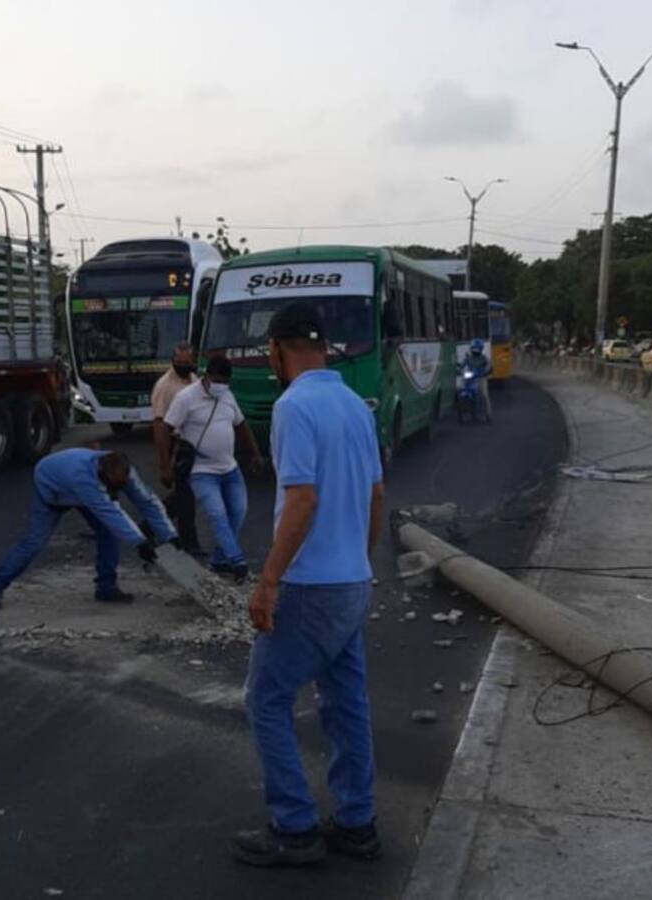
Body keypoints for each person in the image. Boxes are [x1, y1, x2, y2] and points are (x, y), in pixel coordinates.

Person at [232, 302, 384, 868]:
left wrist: (268, 581)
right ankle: (357, 822)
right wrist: (357, 561)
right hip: (351, 581)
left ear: (276, 350)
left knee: (266, 700)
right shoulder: (355, 405)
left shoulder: (293, 406)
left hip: (309, 586)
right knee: (346, 705)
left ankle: (294, 827)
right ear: (322, 348)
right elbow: (376, 496)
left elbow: (301, 500)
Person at [0, 449, 178, 610]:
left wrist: (170, 535)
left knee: (108, 534)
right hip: (51, 490)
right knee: (34, 542)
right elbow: (111, 513)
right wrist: (140, 543)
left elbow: (147, 502)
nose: (117, 490)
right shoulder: (84, 479)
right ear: (102, 474)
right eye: (113, 486)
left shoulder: (125, 473)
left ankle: (106, 588)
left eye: (121, 485)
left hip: (75, 483)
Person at [159, 356, 263, 583]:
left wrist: (255, 453)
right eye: (217, 381)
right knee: (217, 515)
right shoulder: (186, 398)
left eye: (225, 382)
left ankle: (219, 559)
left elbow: (241, 424)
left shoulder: (227, 396)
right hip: (201, 470)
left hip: (230, 468)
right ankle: (238, 563)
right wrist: (165, 466)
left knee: (238, 511)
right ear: (206, 376)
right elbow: (165, 428)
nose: (221, 386)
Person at [150, 343, 200, 554]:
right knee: (186, 496)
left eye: (187, 363)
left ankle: (151, 525)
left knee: (185, 494)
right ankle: (188, 542)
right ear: (172, 361)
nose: (183, 366)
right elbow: (159, 425)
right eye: (179, 363)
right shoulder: (165, 386)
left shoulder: (194, 380)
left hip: (192, 445)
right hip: (176, 445)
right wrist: (164, 465)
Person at [464, 338, 493, 421]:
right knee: (463, 391)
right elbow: (463, 364)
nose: (475, 351)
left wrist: (485, 371)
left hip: (481, 377)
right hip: (470, 377)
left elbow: (488, 365)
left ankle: (488, 414)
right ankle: (467, 410)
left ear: (481, 349)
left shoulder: (484, 358)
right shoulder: (468, 357)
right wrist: (460, 369)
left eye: (477, 349)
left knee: (484, 395)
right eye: (474, 349)